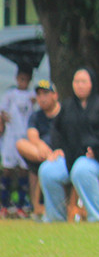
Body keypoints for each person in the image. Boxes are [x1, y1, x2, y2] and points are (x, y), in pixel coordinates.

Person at [39, 67, 99, 222]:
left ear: (92, 84)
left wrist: (98, 149)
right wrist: (57, 148)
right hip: (74, 156)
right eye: (76, 82)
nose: (79, 85)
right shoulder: (68, 106)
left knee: (81, 169)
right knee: (47, 170)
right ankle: (56, 218)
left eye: (83, 82)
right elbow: (56, 128)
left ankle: (96, 217)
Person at [15, 79, 61, 217]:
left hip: (61, 154)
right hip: (41, 154)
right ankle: (37, 208)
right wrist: (41, 146)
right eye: (39, 94)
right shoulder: (36, 116)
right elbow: (32, 135)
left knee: (38, 166)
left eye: (46, 93)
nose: (42, 98)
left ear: (55, 95)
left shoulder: (64, 113)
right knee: (21, 144)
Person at [0, 67, 35, 215]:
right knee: (7, 169)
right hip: (10, 137)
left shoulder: (32, 95)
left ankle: (22, 204)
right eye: (20, 78)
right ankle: (4, 204)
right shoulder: (10, 95)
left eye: (25, 79)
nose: (23, 82)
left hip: (25, 136)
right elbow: (2, 112)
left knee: (23, 170)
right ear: (16, 78)